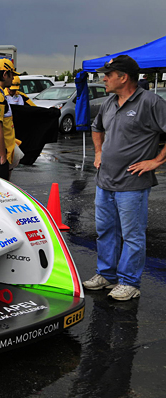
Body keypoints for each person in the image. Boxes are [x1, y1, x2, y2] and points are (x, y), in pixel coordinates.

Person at [82, 55, 166, 301]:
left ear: (123, 77)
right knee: (106, 230)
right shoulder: (109, 103)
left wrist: (157, 161)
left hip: (133, 184)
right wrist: (98, 152)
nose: (104, 79)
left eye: (108, 75)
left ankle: (129, 282)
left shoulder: (151, 102)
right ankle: (106, 275)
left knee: (132, 235)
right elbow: (96, 127)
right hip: (104, 181)